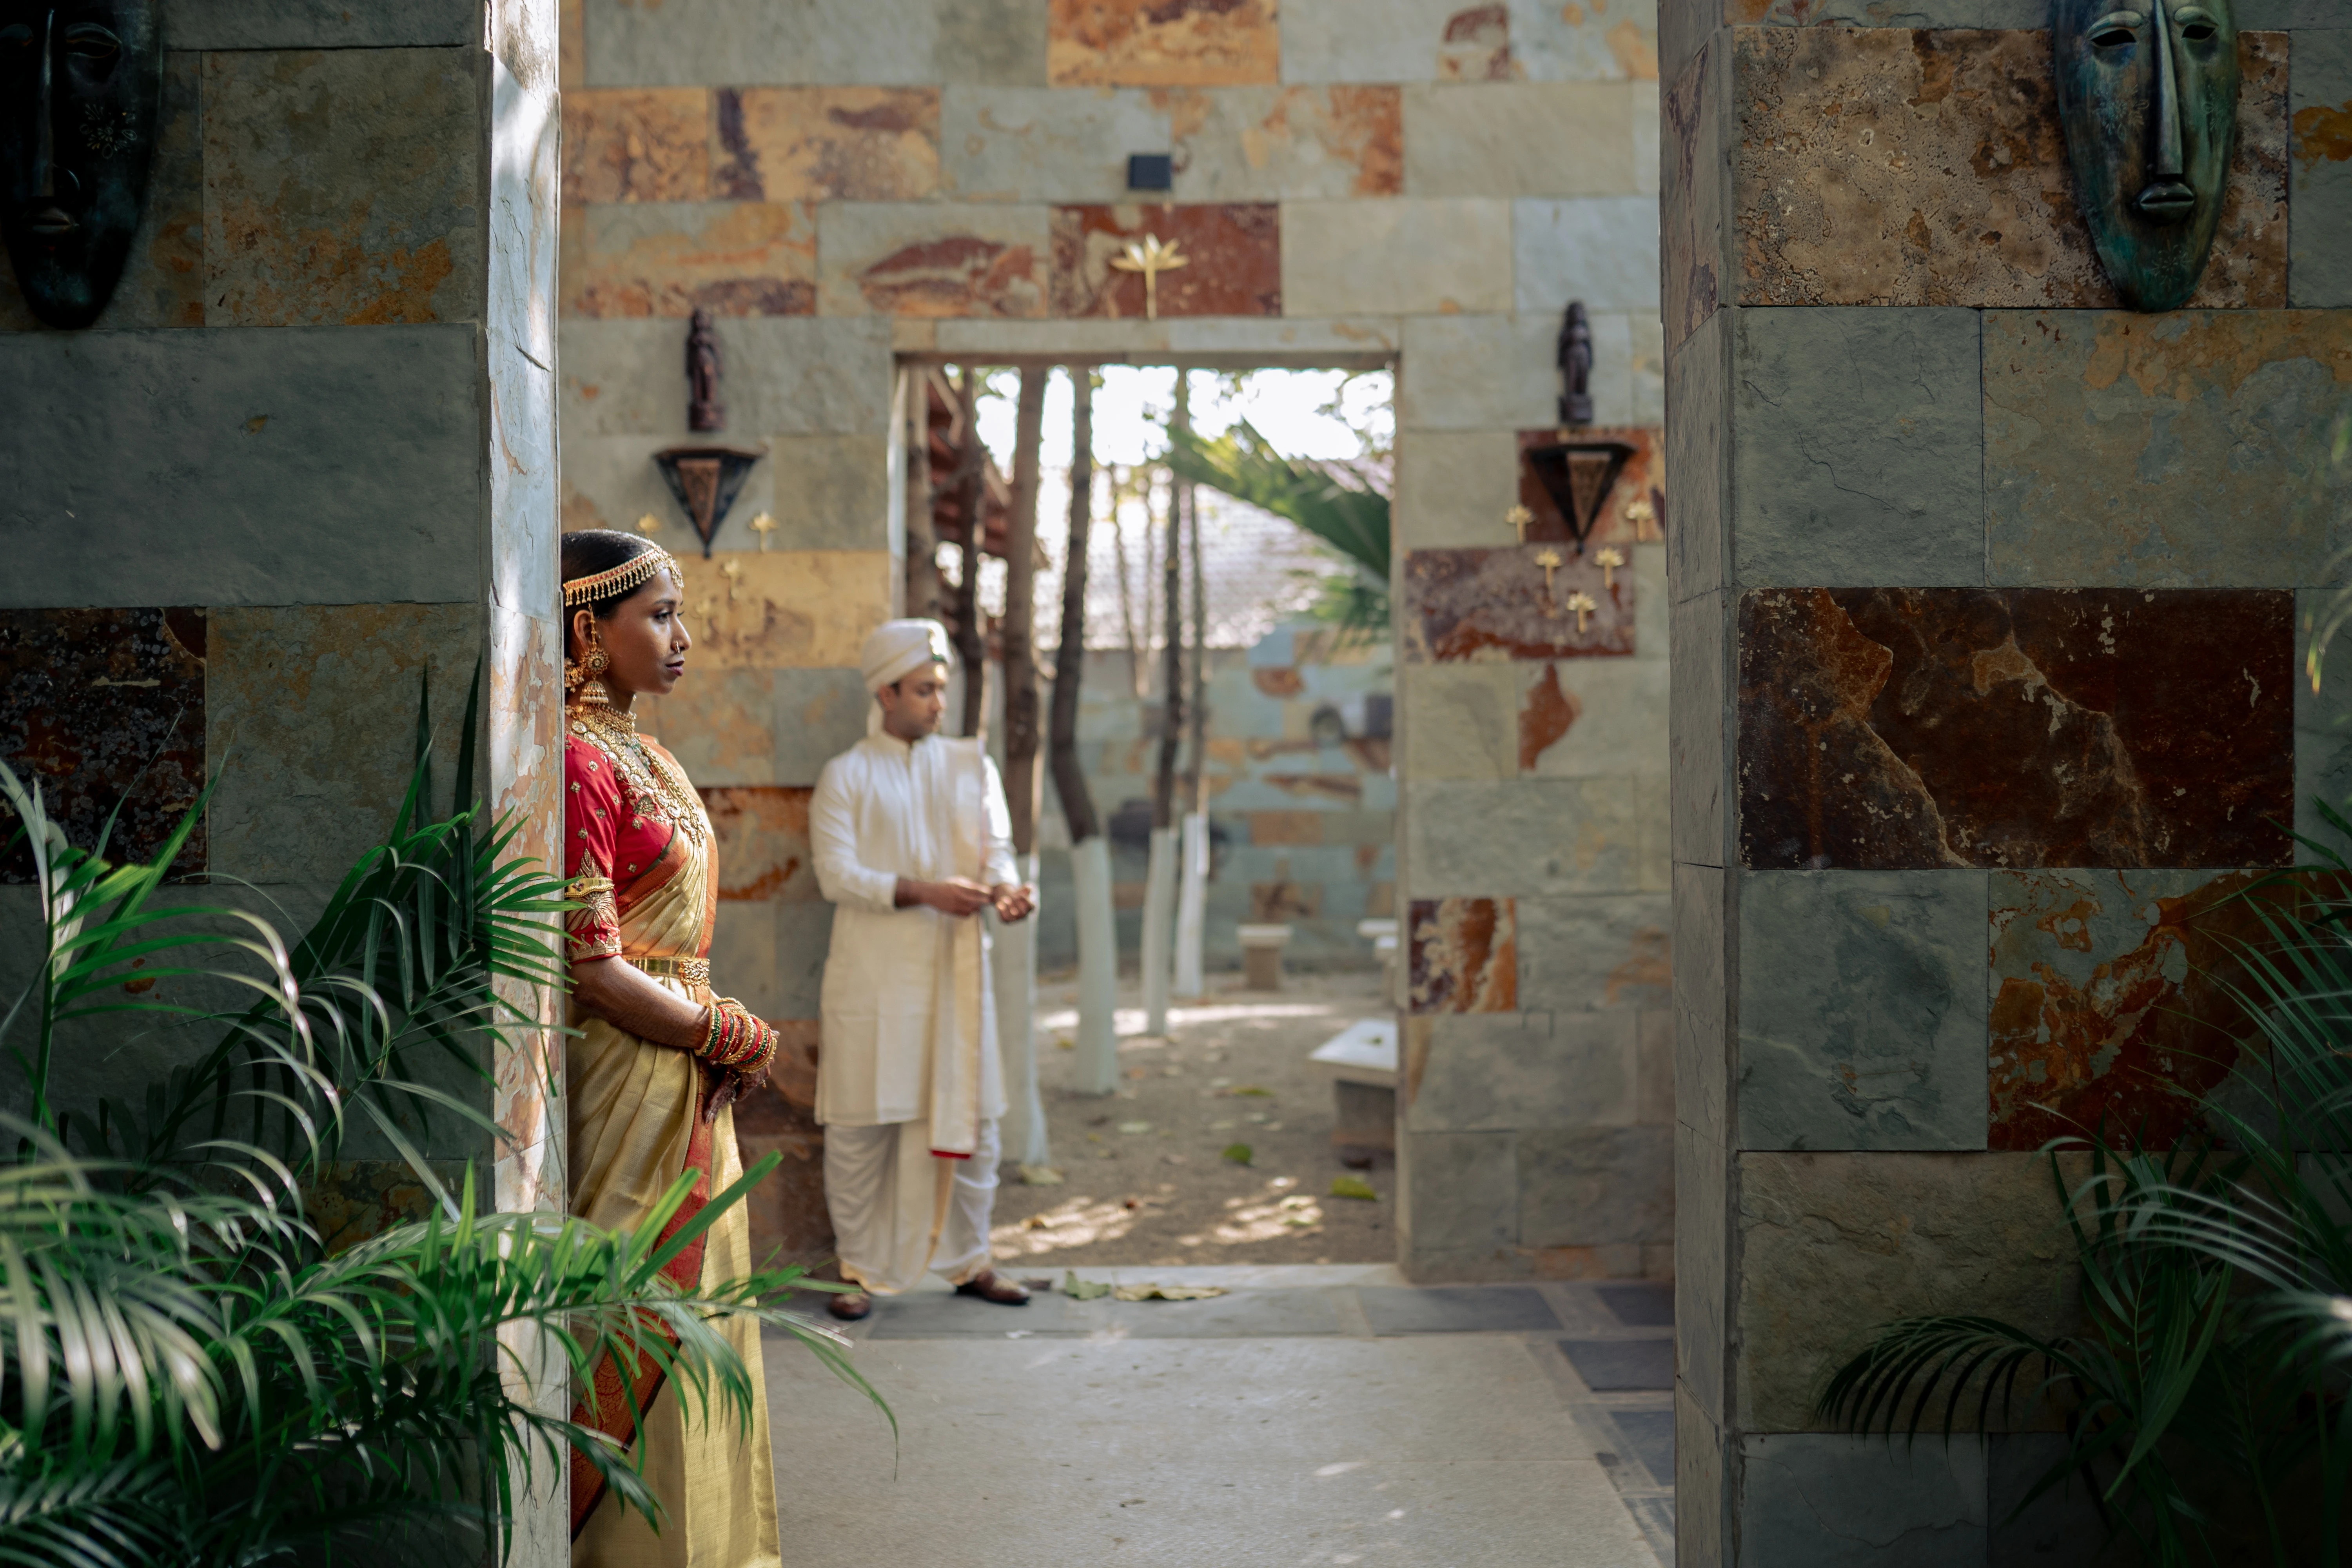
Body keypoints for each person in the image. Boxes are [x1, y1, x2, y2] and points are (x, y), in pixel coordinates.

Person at [558, 530, 782, 1565]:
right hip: (628, 1078)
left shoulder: (645, 750)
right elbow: (592, 969)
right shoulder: (572, 757)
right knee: (637, 1312)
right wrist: (726, 1029)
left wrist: (712, 1035)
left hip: (687, 1073)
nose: (684, 638)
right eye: (657, 616)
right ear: (586, 629)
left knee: (706, 1321)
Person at [809, 619, 1038, 1321]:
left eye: (942, 690)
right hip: (874, 981)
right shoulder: (846, 775)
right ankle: (857, 1268)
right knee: (861, 1125)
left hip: (955, 979)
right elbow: (836, 875)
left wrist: (1006, 889)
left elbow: (997, 849)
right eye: (926, 690)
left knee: (976, 1125)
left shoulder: (973, 768)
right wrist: (925, 891)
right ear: (886, 692)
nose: (940, 704)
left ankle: (972, 1262)